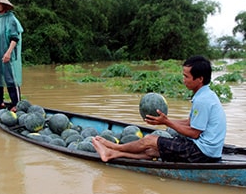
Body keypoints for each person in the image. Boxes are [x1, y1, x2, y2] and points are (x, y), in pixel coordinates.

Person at [92, 55, 226, 163]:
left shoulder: (202, 100)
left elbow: (194, 133)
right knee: (152, 151)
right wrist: (163, 120)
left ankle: (114, 146)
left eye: (186, 76)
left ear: (200, 79)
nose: (183, 79)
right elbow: (191, 123)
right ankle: (113, 154)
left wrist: (167, 122)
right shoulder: (207, 95)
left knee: (149, 139)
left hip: (202, 152)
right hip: (207, 150)